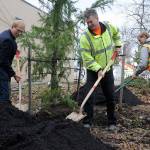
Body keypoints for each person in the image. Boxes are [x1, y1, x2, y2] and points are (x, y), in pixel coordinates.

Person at [79, 8, 122, 130]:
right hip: (93, 70)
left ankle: (111, 122)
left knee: (110, 95)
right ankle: (88, 121)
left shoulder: (108, 27)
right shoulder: (85, 38)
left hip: (108, 68)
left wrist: (118, 45)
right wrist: (98, 69)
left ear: (97, 18)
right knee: (89, 94)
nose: (89, 24)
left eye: (91, 21)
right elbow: (86, 58)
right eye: (87, 22)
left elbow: (117, 34)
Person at [0, 20, 25, 103]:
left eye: (22, 32)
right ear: (13, 27)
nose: (20, 33)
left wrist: (13, 49)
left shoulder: (6, 35)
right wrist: (14, 75)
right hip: (1, 73)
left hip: (3, 71)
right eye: (18, 30)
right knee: (4, 99)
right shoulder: (7, 40)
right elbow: (3, 61)